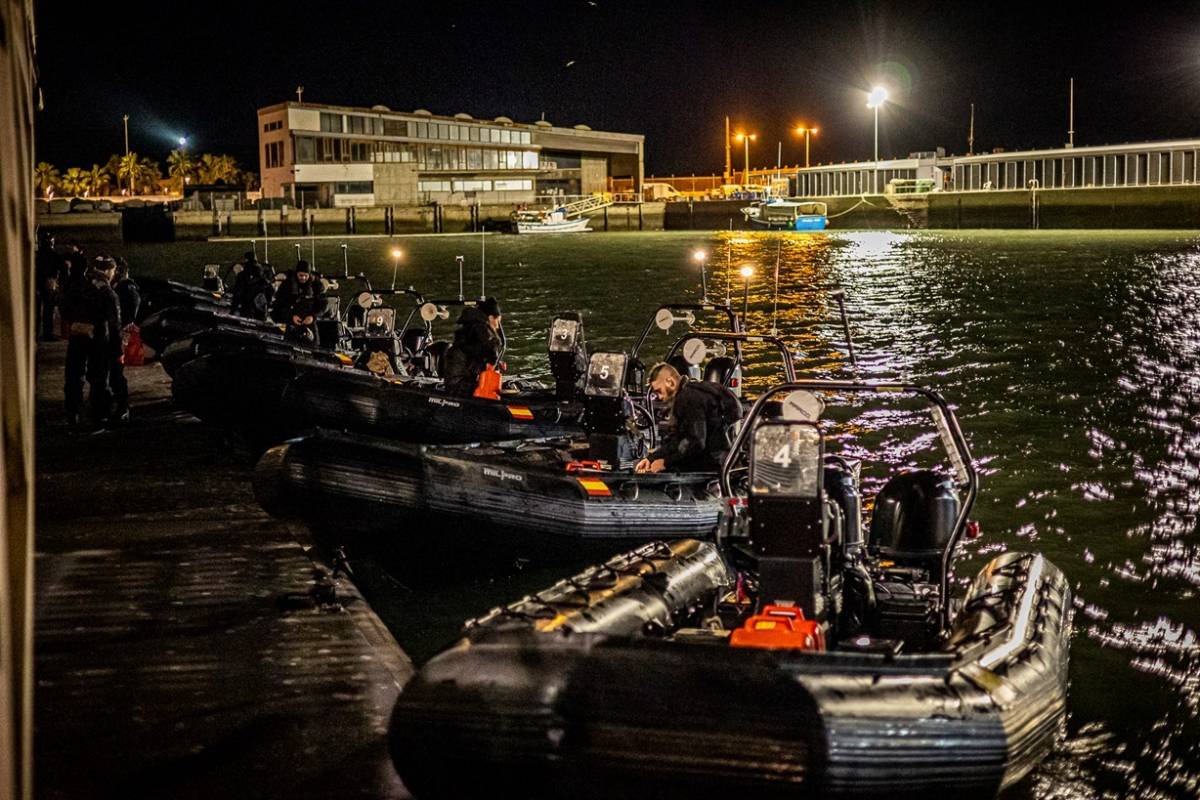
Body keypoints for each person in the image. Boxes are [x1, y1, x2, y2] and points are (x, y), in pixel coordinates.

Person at [635, 362, 742, 474]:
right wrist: (651, 458)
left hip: (713, 464)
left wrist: (666, 463)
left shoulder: (687, 399)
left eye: (659, 391)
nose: (659, 397)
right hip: (724, 458)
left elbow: (696, 442)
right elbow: (679, 439)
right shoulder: (692, 391)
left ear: (670, 382)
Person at [83, 257, 122, 426]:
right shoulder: (107, 292)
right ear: (107, 271)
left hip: (86, 338)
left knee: (92, 375)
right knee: (102, 376)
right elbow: (114, 323)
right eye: (112, 271)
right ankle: (102, 414)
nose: (113, 274)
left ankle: (92, 410)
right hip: (102, 339)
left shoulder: (86, 286)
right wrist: (118, 347)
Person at [441, 297, 502, 397]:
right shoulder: (479, 328)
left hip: (456, 381)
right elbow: (490, 352)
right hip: (459, 385)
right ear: (491, 318)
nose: (498, 326)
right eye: (498, 321)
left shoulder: (470, 327)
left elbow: (477, 353)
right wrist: (495, 344)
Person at [110, 260, 140, 421]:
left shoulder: (126, 289)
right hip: (119, 335)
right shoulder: (125, 288)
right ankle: (120, 404)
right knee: (115, 370)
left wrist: (123, 332)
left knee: (116, 370)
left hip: (120, 336)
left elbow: (129, 315)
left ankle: (122, 406)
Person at [271, 260, 326, 344]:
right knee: (290, 344)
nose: (303, 278)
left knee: (314, 345)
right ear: (296, 273)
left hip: (310, 321)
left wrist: (313, 316)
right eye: (301, 275)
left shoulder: (316, 285)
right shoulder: (287, 284)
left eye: (305, 276)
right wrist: (291, 316)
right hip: (292, 320)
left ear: (309, 275)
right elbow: (279, 305)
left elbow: (322, 305)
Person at [34, 231, 63, 341]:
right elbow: (63, 270)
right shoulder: (55, 255)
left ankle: (36, 333)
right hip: (49, 284)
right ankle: (47, 333)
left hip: (38, 284)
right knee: (48, 310)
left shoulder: (37, 255)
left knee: (37, 310)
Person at [229, 251, 273, 320]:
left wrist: (233, 309)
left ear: (246, 260)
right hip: (260, 307)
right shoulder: (263, 276)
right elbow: (270, 291)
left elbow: (238, 293)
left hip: (247, 307)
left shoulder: (242, 275)